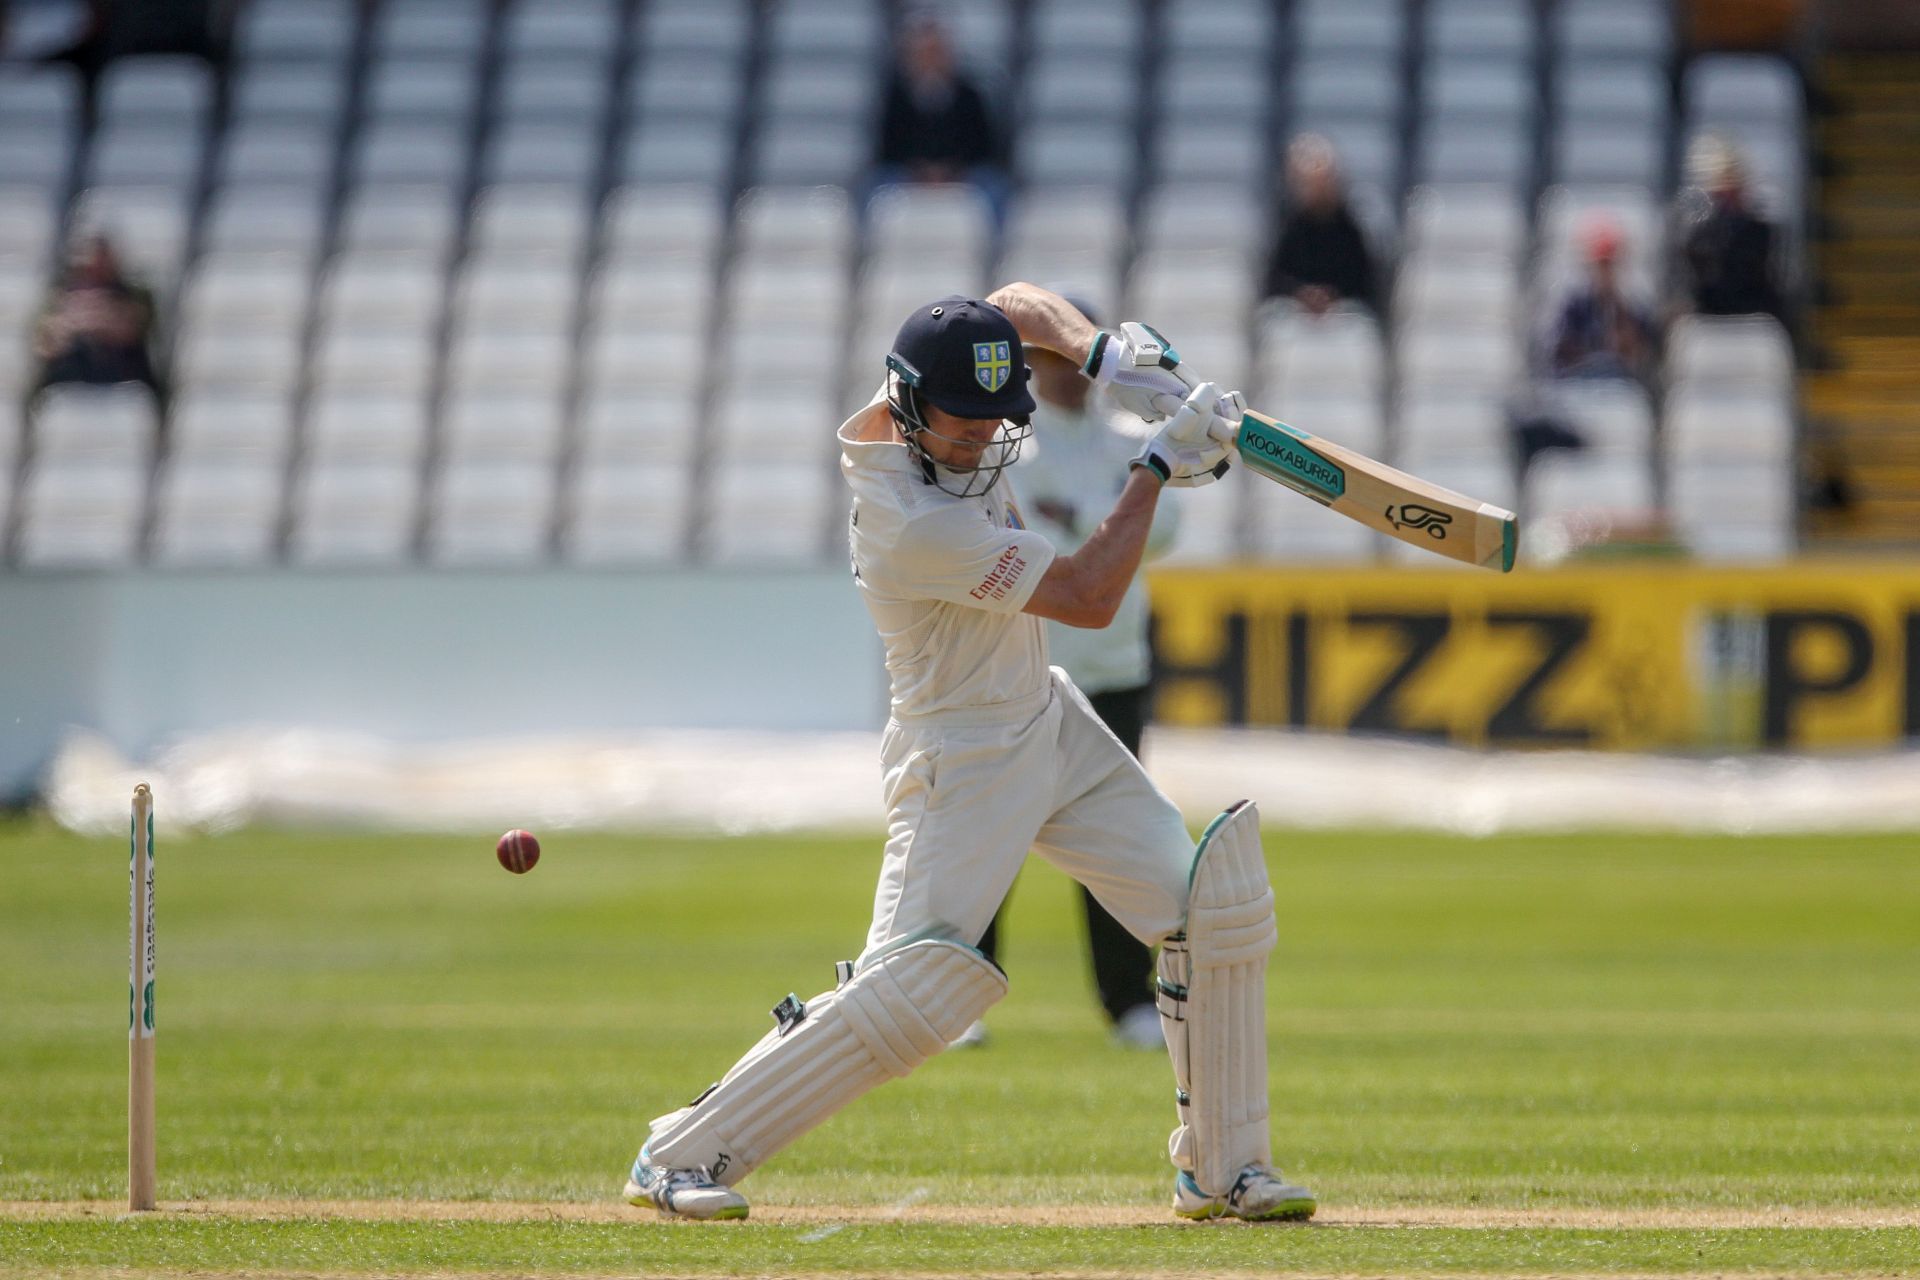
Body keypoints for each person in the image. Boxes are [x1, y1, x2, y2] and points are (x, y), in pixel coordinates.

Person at [623, 284, 1317, 1225]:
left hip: (1044, 714)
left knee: (1210, 908)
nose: (981, 443)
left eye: (999, 422)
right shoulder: (912, 519)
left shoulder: (944, 374)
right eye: (963, 427)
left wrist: (1101, 353)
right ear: (909, 408)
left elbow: (1015, 307)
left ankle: (1225, 1169)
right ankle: (679, 1152)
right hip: (959, 756)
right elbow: (1085, 597)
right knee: (917, 988)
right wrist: (1152, 466)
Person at [962, 296, 1175, 1053]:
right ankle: (959, 993)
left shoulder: (1130, 438)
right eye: (1050, 359)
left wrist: (1085, 518)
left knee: (1113, 837)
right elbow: (1021, 539)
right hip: (1025, 666)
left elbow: (1164, 528)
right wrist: (1103, 518)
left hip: (1113, 667)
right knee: (991, 831)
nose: (1067, 375)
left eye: (1075, 358)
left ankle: (1129, 1001)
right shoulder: (1010, 448)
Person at [869, 12, 1009, 224]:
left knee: (995, 186)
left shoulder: (970, 95)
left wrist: (951, 170)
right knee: (875, 188)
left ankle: (995, 251)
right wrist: (920, 170)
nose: (930, 59)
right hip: (908, 174)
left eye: (936, 52)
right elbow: (888, 147)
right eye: (924, 53)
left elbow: (984, 145)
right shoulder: (896, 97)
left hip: (963, 173)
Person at [33, 231, 162, 398]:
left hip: (123, 379)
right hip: (69, 382)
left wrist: (100, 318)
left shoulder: (135, 292)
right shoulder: (61, 295)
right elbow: (44, 346)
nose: (96, 267)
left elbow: (135, 331)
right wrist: (71, 323)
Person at [1261, 134, 1379, 317]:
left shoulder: (1354, 225)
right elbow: (1274, 278)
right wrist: (1302, 294)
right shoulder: (1284, 224)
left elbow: (1366, 280)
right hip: (1294, 312)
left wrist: (1332, 296)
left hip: (1345, 312)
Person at [1677, 134, 1784, 321]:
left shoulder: (1760, 232)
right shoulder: (1697, 233)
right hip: (1707, 318)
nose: (1726, 194)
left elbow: (1760, 278)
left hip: (1752, 317)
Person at [1544, 217, 1658, 384]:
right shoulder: (1572, 306)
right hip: (1577, 385)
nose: (1606, 271)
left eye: (1611, 264)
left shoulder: (1632, 307)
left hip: (1621, 388)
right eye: (1601, 264)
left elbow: (1645, 355)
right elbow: (1556, 352)